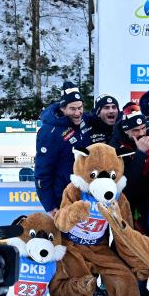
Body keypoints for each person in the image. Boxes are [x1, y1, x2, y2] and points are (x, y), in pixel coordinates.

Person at [35, 81, 90, 216]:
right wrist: (50, 206)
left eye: (80, 107)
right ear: (63, 108)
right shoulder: (49, 132)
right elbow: (42, 173)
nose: (78, 113)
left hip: (85, 195)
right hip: (63, 199)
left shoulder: (82, 120)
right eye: (73, 109)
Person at [110, 103, 149, 233]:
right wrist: (140, 153)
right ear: (126, 131)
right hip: (129, 200)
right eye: (136, 130)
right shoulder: (115, 148)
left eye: (143, 128)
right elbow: (129, 182)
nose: (141, 133)